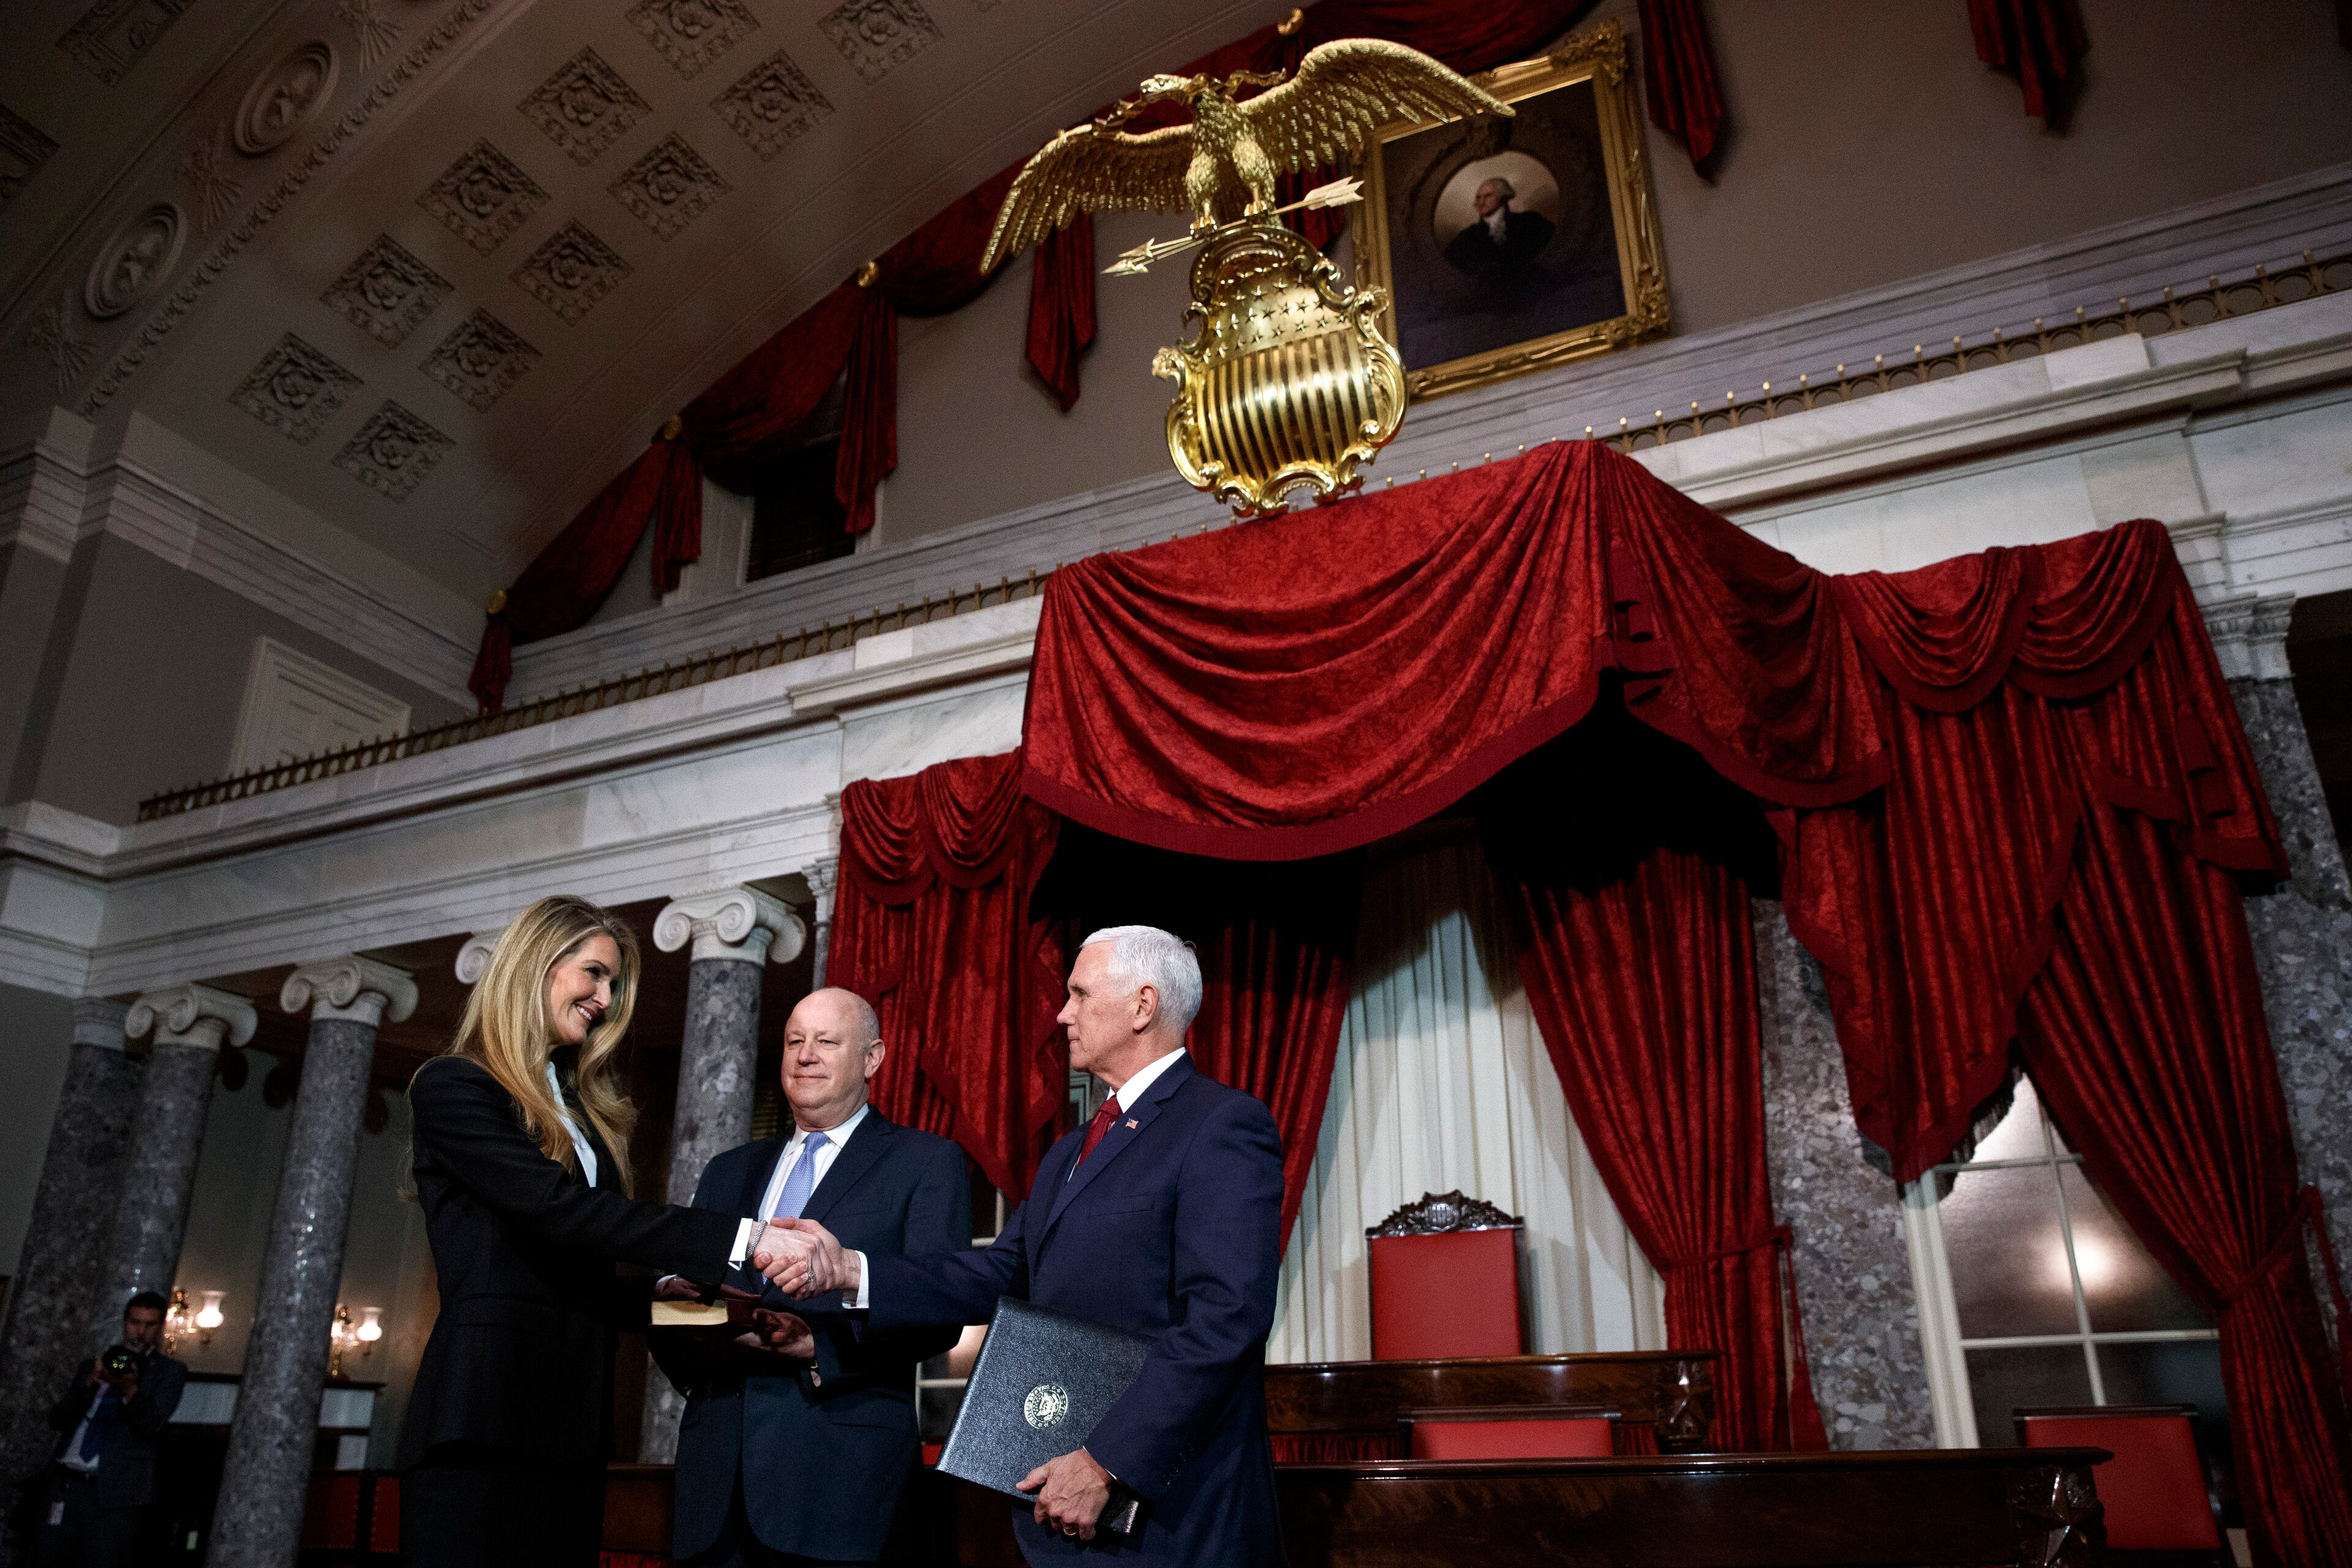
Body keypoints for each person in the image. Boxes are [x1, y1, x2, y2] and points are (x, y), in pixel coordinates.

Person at [758, 927, 1287, 1567]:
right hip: (1066, 1511)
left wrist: (1105, 1462)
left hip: (1172, 1511)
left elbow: (1227, 1320)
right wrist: (852, 1270)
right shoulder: (1072, 1148)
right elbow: (1000, 1270)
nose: (1062, 1013)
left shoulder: (1221, 1123)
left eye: (1079, 994)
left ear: (1142, 1006)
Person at [398, 895, 791, 1568]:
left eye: (613, 984)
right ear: (537, 964)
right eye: (595, 974)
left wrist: (699, 1304)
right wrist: (744, 1240)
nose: (605, 999)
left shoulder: (580, 1110)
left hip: (572, 1428)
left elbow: (581, 1287)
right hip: (484, 1419)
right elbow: (561, 1212)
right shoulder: (455, 1086)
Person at [652, 987, 970, 1567]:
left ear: (872, 1058)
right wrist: (682, 1318)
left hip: (843, 1482)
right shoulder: (727, 1172)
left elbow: (939, 1310)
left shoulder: (926, 1162)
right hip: (715, 1487)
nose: (805, 1055)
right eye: (795, 1041)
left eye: (826, 1041)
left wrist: (817, 1347)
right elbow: (677, 1315)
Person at [26, 1291, 185, 1568]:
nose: (141, 1331)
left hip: (115, 1493)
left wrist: (130, 1391)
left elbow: (151, 1427)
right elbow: (58, 1421)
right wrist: (90, 1385)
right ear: (125, 1323)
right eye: (135, 1323)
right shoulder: (94, 1365)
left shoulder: (168, 1372)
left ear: (160, 1328)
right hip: (66, 1484)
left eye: (150, 1325)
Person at [1443, 175, 1555, 278]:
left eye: (1488, 196)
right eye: (1478, 198)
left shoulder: (1530, 221)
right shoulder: (1468, 236)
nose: (1481, 203)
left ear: (1503, 197)